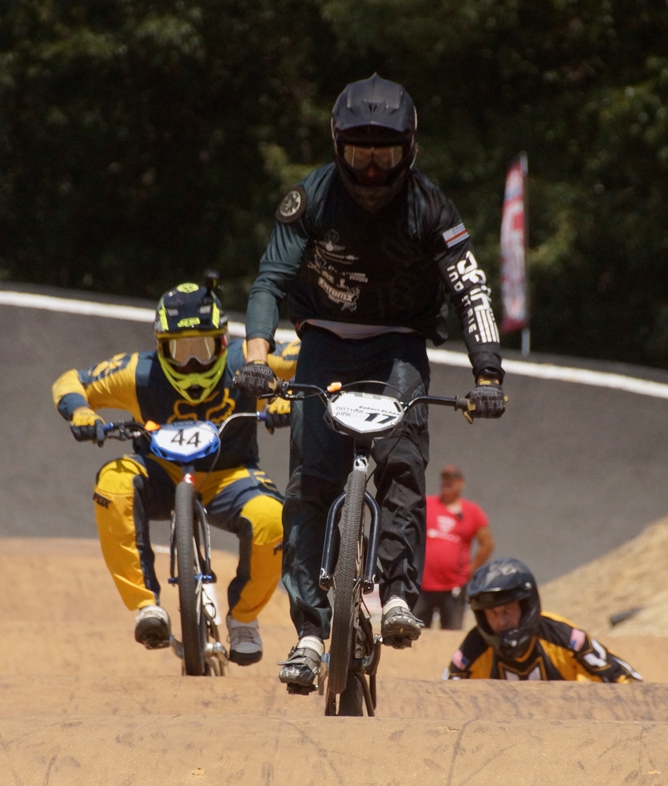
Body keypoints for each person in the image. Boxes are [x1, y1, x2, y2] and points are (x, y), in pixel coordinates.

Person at [233, 73, 507, 694]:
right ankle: (309, 633)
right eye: (360, 153)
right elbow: (269, 282)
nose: (374, 168)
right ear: (338, 147)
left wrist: (488, 374)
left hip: (399, 344)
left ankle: (399, 596)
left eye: (385, 153)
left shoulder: (432, 207)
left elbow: (471, 289)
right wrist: (257, 356)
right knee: (310, 482)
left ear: (409, 149)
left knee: (403, 463)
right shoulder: (310, 198)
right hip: (323, 341)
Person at [51, 279, 297, 664]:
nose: (192, 362)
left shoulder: (247, 361)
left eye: (203, 348)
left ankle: (244, 619)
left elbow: (312, 357)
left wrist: (289, 395)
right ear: (160, 346)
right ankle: (147, 606)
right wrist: (81, 411)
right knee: (113, 482)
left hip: (229, 475)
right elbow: (72, 380)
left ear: (223, 342)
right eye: (180, 351)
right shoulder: (139, 372)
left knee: (273, 519)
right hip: (160, 472)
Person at [445, 558, 642, 682]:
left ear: (526, 607)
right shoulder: (473, 648)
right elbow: (444, 696)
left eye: (508, 610)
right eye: (492, 614)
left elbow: (627, 680)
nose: (502, 621)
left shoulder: (562, 636)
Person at [415, 464, 493, 629]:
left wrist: (471, 570)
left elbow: (487, 544)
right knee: (416, 630)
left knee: (452, 631)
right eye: (444, 479)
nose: (447, 483)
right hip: (422, 584)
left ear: (461, 483)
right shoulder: (427, 504)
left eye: (452, 479)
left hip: (453, 586)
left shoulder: (472, 511)